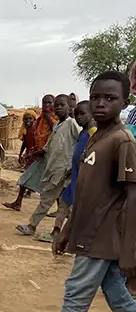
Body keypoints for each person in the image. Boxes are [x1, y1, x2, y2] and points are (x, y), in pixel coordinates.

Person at [15, 71, 136, 312]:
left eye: (110, 98)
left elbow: (132, 198)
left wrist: (130, 250)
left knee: (76, 293)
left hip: (102, 237)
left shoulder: (123, 142)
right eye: (96, 96)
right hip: (88, 233)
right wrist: (66, 228)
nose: (100, 103)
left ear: (126, 101)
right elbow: (85, 191)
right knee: (119, 298)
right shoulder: (97, 136)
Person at [16, 94, 79, 237]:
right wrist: (33, 154)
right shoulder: (58, 125)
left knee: (47, 200)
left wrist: (74, 165)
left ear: (69, 106)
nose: (58, 108)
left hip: (64, 170)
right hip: (54, 169)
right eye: (56, 105)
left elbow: (82, 142)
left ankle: (32, 226)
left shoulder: (71, 124)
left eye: (62, 105)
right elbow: (48, 146)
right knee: (63, 204)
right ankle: (59, 231)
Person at [3, 95, 56, 212]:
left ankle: (63, 209)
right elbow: (34, 138)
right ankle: (18, 202)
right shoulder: (40, 121)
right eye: (44, 103)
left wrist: (48, 119)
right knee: (26, 178)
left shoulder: (57, 120)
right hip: (40, 154)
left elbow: (56, 133)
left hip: (51, 156)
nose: (47, 106)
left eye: (49, 103)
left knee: (55, 184)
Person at [52, 101, 95, 235]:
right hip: (75, 174)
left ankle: (69, 233)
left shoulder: (93, 132)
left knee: (74, 206)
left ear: (92, 114)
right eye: (76, 114)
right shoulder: (83, 132)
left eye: (82, 113)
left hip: (84, 176)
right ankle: (56, 230)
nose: (78, 117)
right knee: (64, 201)